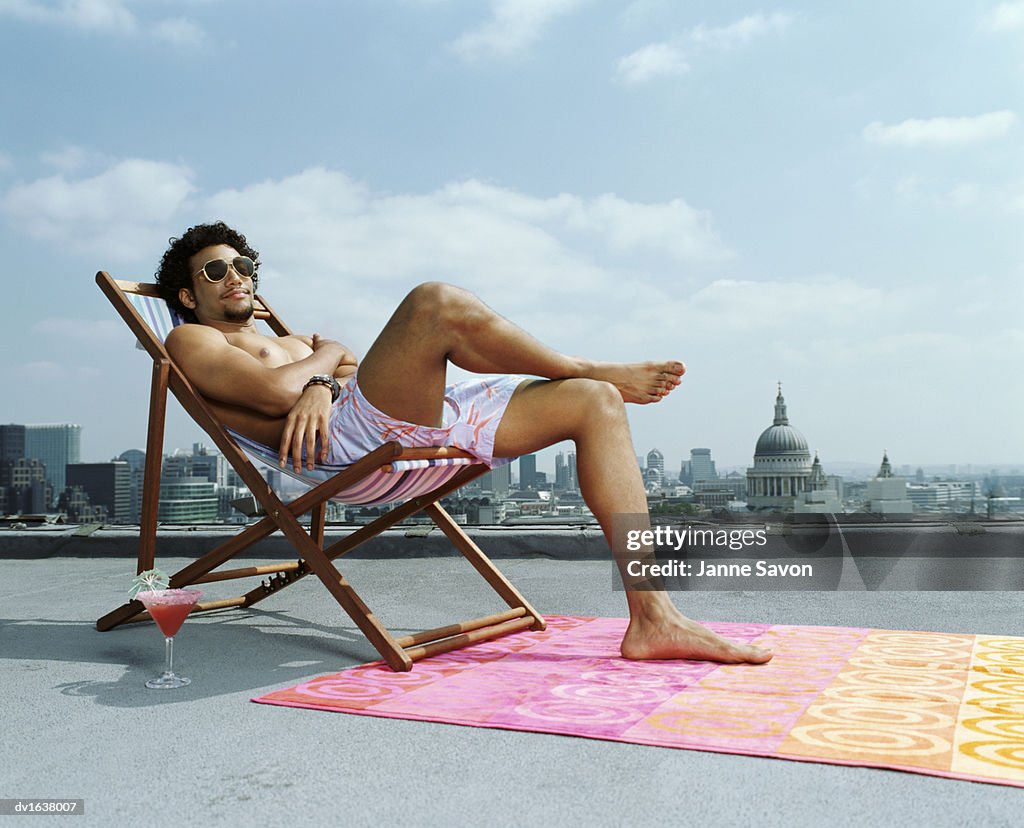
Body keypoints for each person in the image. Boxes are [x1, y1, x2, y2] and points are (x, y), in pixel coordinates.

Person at [156, 221, 772, 665]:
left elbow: (339, 366)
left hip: (397, 422)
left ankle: (653, 618)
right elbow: (274, 396)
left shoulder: (274, 338)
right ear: (189, 296)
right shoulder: (193, 342)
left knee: (597, 403)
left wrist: (323, 371)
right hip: (353, 450)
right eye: (217, 270)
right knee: (434, 303)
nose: (236, 276)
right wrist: (323, 365)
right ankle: (584, 362)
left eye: (244, 267)